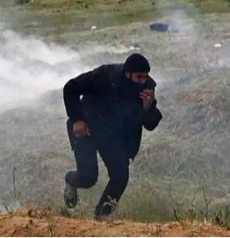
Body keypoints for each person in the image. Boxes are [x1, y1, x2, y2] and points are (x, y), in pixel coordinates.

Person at [62, 53, 163, 220]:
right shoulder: (105, 75)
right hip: (86, 128)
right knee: (88, 178)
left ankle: (101, 218)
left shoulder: (146, 89)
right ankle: (71, 181)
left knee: (120, 176)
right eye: (139, 77)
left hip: (112, 137)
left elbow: (150, 124)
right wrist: (77, 119)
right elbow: (71, 87)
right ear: (127, 73)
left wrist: (148, 107)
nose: (143, 81)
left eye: (145, 77)